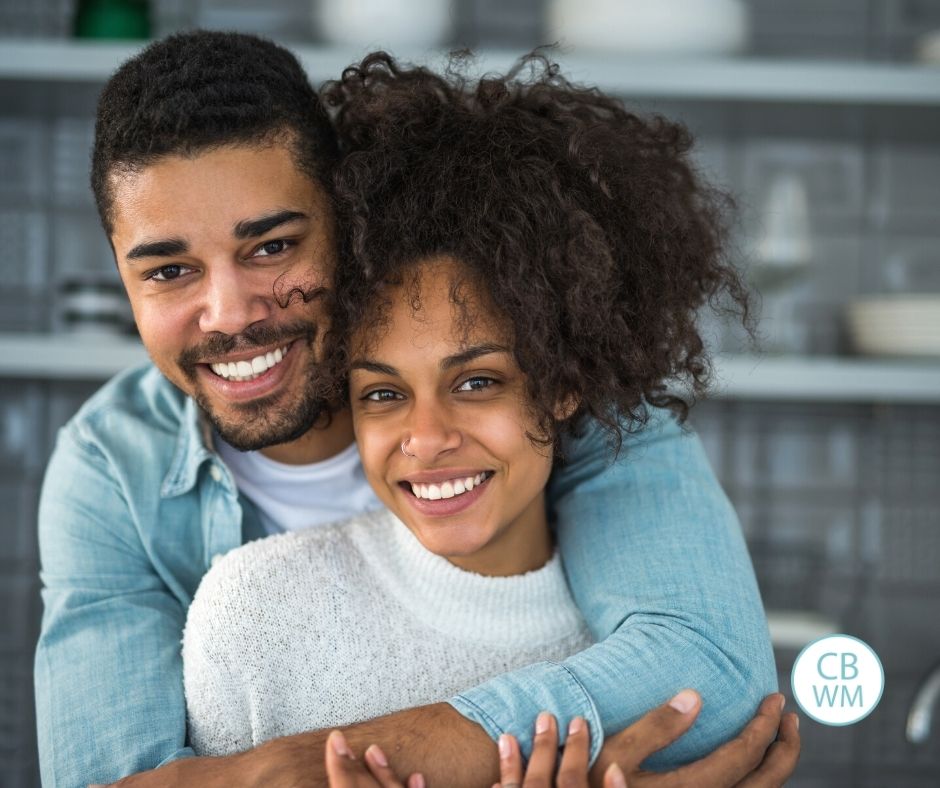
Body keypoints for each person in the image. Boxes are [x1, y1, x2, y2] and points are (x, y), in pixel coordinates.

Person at [35, 31, 781, 788]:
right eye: (168, 270)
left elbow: (711, 673)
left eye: (271, 248)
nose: (228, 315)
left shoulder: (552, 369)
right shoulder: (111, 469)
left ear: (346, 221)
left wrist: (299, 768)